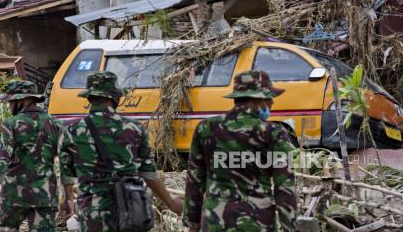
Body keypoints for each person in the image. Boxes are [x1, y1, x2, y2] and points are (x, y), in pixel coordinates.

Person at [59, 71, 183, 231]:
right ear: (114, 98)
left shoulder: (70, 129)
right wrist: (171, 203)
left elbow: (67, 174)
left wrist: (69, 202)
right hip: (132, 208)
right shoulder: (135, 128)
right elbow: (149, 173)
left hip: (93, 212)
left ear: (89, 98)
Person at [183, 70, 297, 231]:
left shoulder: (206, 128)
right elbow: (285, 188)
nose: (271, 103)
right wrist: (289, 228)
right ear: (258, 100)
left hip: (215, 222)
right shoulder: (273, 133)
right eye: (269, 98)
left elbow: (195, 181)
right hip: (257, 223)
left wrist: (193, 225)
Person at [0, 80, 60, 231]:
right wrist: (68, 197)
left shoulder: (11, 124)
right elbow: (66, 161)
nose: (9, 105)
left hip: (14, 196)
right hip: (45, 196)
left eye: (11, 101)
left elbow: (1, 158)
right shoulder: (54, 124)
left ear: (22, 100)